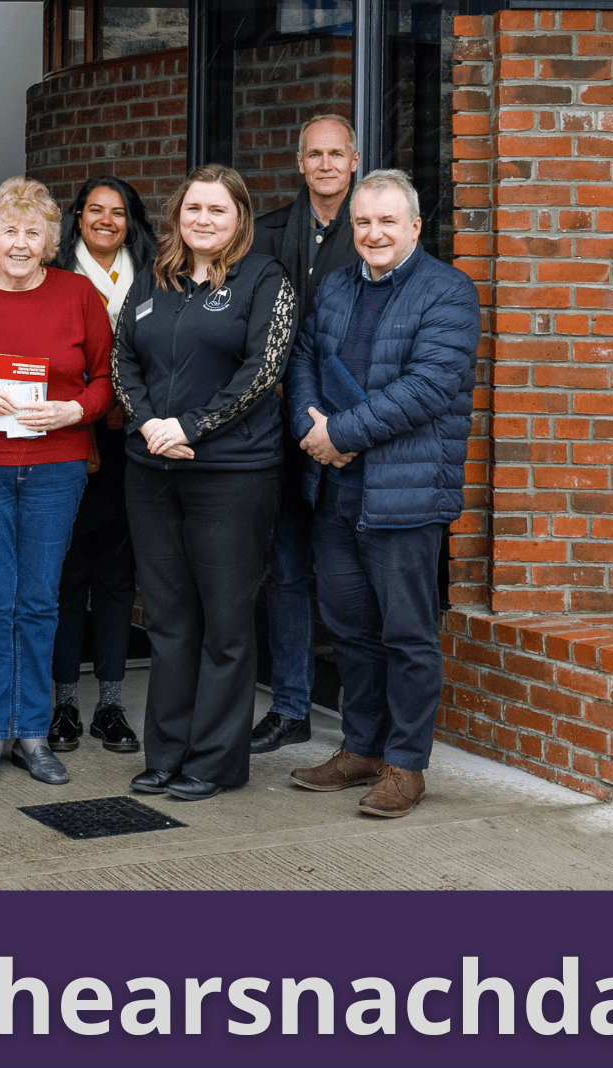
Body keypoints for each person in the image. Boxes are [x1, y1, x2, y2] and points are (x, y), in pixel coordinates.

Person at [286, 169, 479, 818]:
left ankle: (406, 766)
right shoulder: (337, 287)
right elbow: (303, 360)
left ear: (415, 227)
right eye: (362, 222)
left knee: (407, 636)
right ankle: (362, 748)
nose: (373, 233)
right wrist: (313, 431)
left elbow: (427, 388)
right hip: (338, 494)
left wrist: (338, 433)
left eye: (387, 221)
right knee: (350, 631)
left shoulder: (449, 293)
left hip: (405, 497)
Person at [115, 165, 297, 802]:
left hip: (231, 475)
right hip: (152, 472)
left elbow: (262, 369)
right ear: (178, 214)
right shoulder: (154, 277)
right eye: (194, 208)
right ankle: (164, 754)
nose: (203, 220)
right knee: (167, 621)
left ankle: (215, 761)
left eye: (217, 210)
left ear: (240, 218)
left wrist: (190, 426)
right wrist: (145, 423)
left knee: (224, 623)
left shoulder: (265, 279)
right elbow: (122, 358)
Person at [0, 177, 113, 786]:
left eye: (32, 231)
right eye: (8, 230)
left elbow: (108, 377)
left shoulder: (79, 294)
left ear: (50, 240)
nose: (19, 242)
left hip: (57, 466)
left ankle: (32, 733)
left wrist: (75, 411)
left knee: (39, 599)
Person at [249, 114, 364, 757]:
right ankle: (291, 706)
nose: (324, 164)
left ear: (354, 161)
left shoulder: (373, 232)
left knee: (351, 578)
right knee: (287, 573)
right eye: (313, 154)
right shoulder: (266, 235)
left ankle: (360, 718)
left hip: (353, 433)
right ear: (300, 163)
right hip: (282, 430)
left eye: (335, 154)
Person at [47, 175, 155, 756]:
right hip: (72, 441)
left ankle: (110, 704)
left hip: (135, 445)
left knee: (118, 579)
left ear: (130, 219)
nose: (106, 221)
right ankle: (64, 704)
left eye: (118, 212)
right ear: (78, 217)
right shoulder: (57, 273)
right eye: (95, 210)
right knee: (69, 579)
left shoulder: (157, 272)